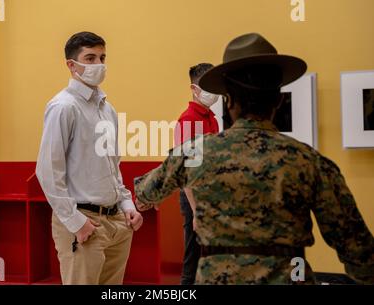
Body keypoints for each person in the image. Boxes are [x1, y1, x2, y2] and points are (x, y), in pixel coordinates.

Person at [134, 33, 374, 284]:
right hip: (291, 275)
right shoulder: (309, 161)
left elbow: (145, 194)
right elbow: (360, 252)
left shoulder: (196, 152)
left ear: (228, 102)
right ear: (279, 100)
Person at [36, 31, 143, 285]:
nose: (99, 65)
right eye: (90, 58)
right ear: (71, 65)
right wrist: (75, 221)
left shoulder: (107, 108)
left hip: (116, 221)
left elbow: (112, 165)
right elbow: (49, 171)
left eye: (102, 57)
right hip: (84, 221)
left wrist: (127, 205)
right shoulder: (63, 107)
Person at [174, 63, 220, 285]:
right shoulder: (188, 119)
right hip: (194, 197)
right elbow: (186, 170)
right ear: (194, 89)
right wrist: (196, 210)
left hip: (210, 193)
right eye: (208, 85)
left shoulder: (212, 118)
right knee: (192, 256)